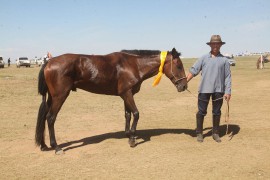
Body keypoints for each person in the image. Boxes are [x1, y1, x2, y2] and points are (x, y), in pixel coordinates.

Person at [186, 35, 232, 143]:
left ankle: (215, 133)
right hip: (204, 89)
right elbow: (194, 71)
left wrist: (228, 92)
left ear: (220, 45)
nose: (215, 46)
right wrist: (185, 82)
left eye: (217, 44)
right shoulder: (203, 58)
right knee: (201, 112)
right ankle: (199, 133)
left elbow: (227, 77)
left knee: (216, 112)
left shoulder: (224, 60)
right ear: (210, 45)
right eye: (213, 44)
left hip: (219, 90)